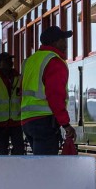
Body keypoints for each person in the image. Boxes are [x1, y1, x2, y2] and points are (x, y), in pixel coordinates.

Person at [20, 24, 74, 156]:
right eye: (63, 40)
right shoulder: (54, 61)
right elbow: (55, 95)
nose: (66, 44)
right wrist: (65, 124)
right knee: (46, 167)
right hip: (44, 121)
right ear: (55, 41)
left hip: (27, 121)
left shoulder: (30, 61)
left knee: (40, 164)